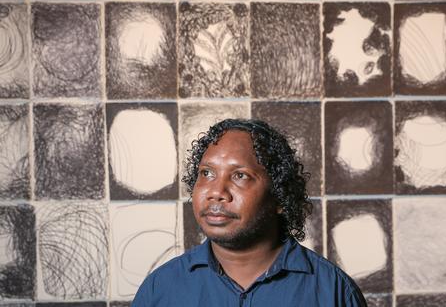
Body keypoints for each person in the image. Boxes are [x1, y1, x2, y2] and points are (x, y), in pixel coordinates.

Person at [132, 118, 367, 306]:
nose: (216, 192)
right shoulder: (160, 289)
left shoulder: (333, 292)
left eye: (239, 176)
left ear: (280, 196)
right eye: (207, 173)